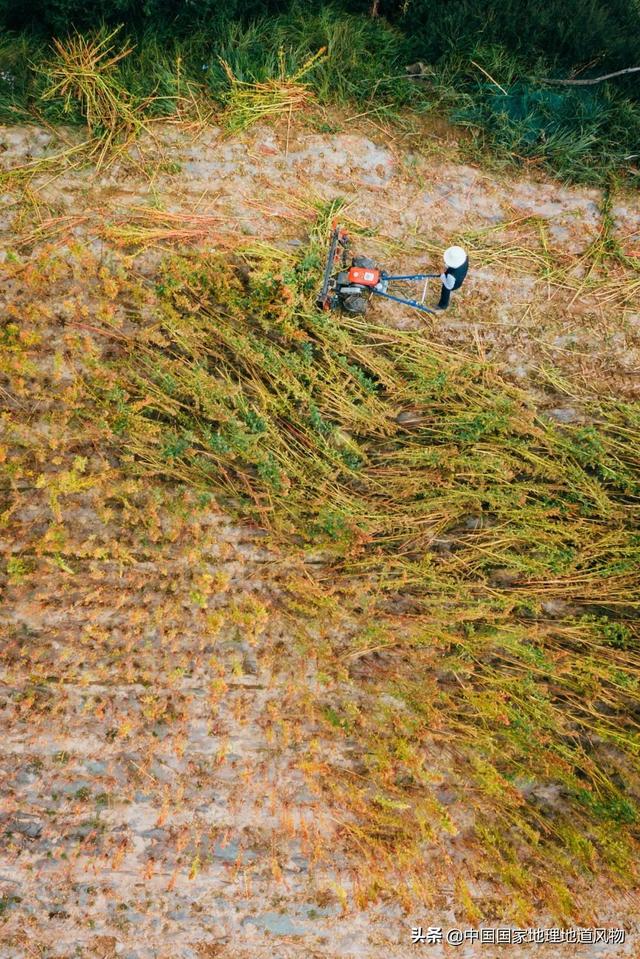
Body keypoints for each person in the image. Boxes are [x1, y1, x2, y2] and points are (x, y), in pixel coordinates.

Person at [436, 245, 468, 310]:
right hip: (461, 275)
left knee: (445, 291)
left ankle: (443, 305)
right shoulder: (465, 258)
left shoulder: (451, 275)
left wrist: (442, 274)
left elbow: (448, 286)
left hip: (454, 284)